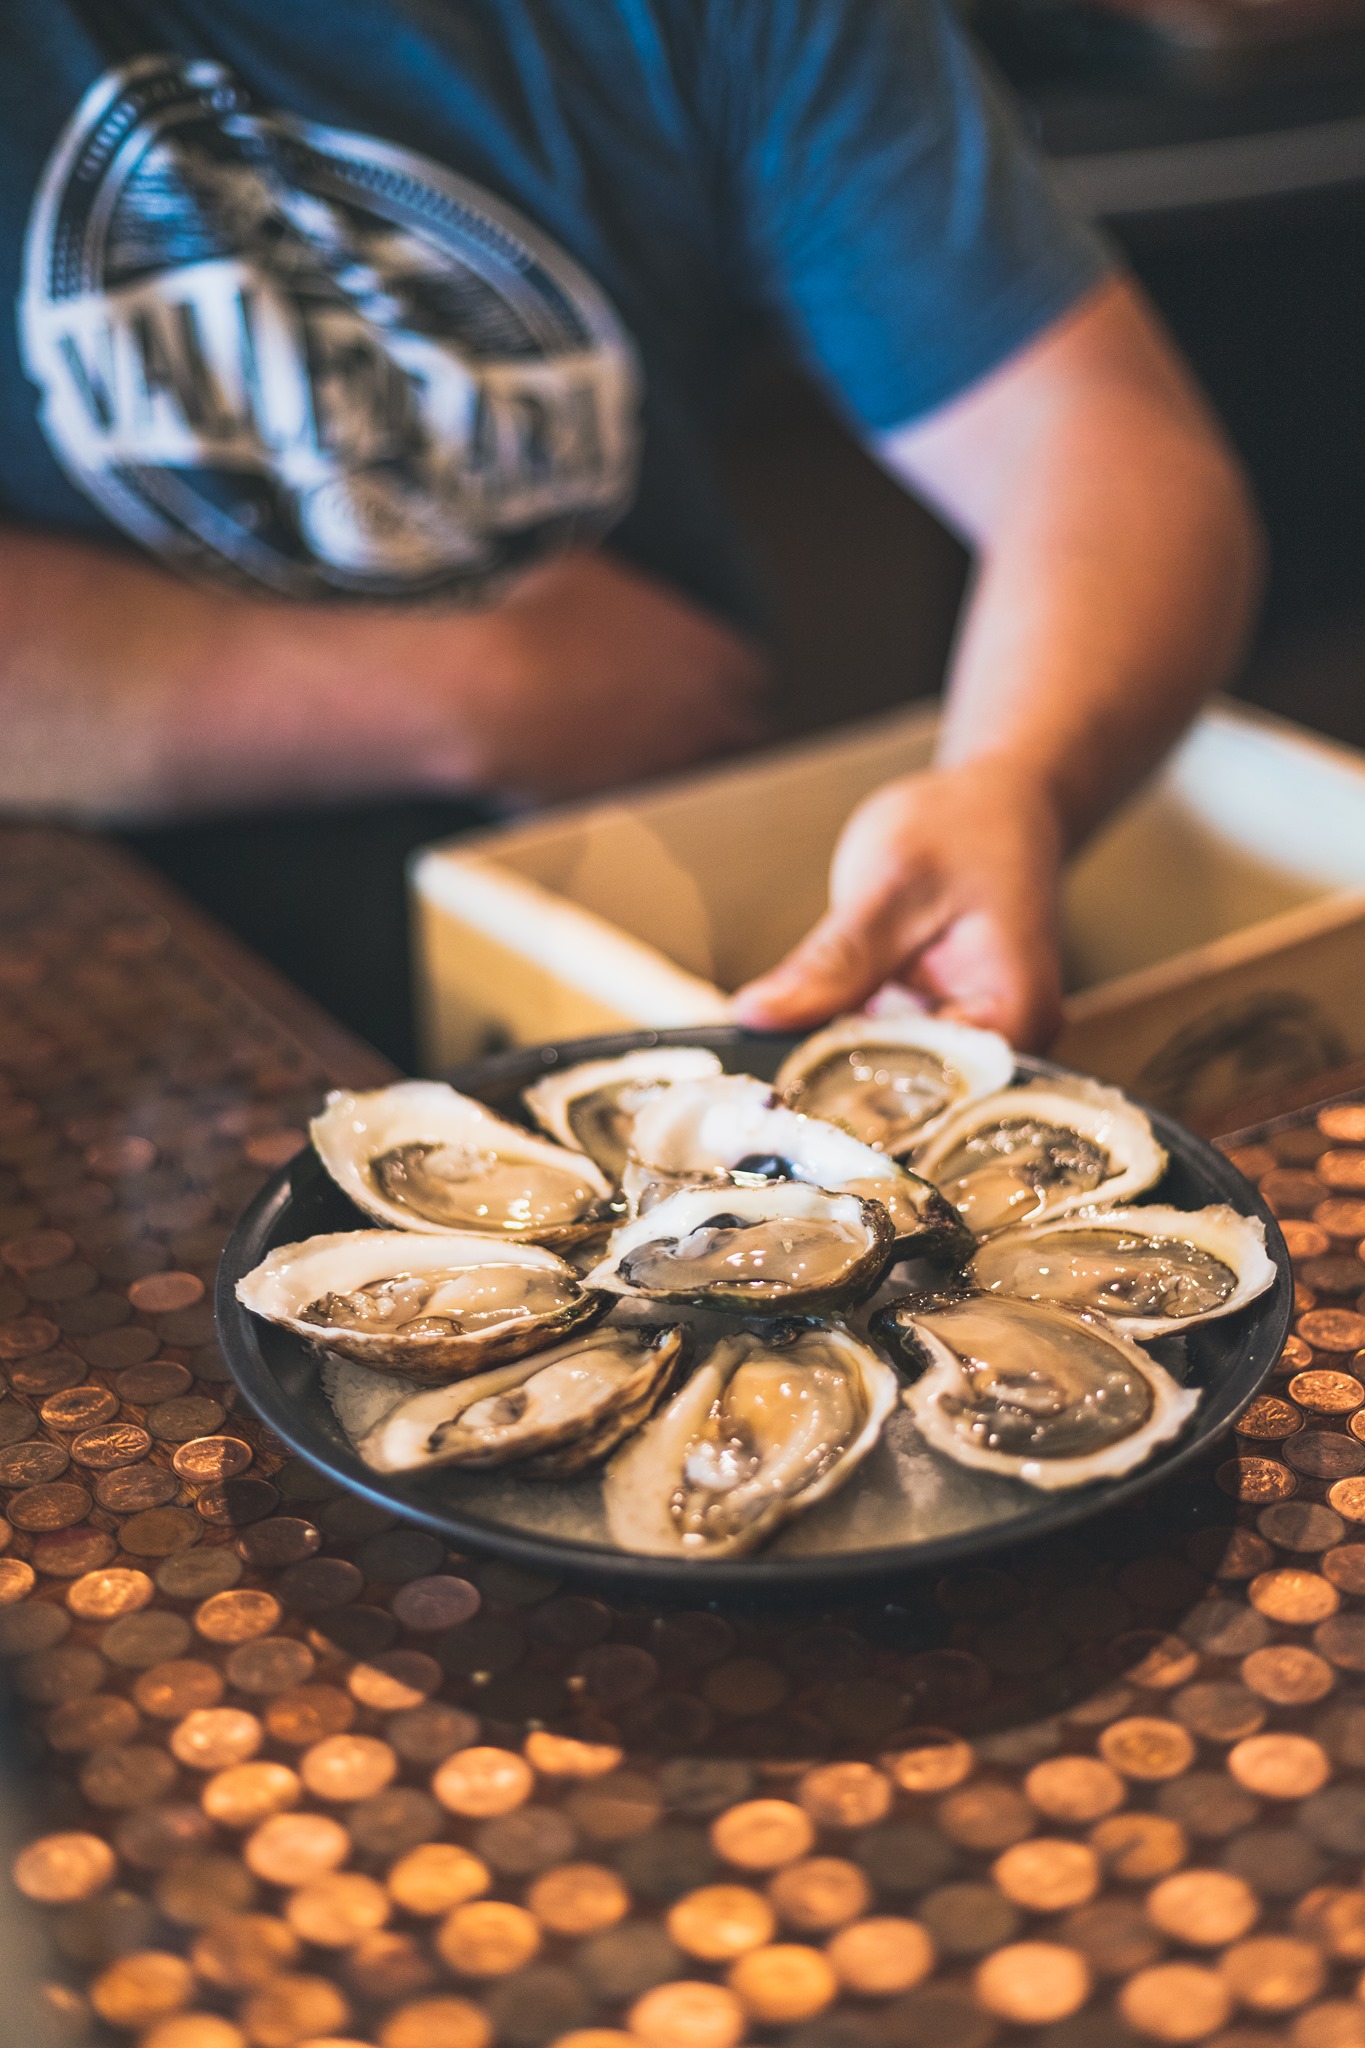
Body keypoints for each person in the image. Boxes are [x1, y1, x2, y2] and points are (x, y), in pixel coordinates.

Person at [0, 1, 1260, 1064]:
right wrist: (464, 686)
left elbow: (1100, 445)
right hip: (92, 974)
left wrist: (1014, 778)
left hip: (632, 913)